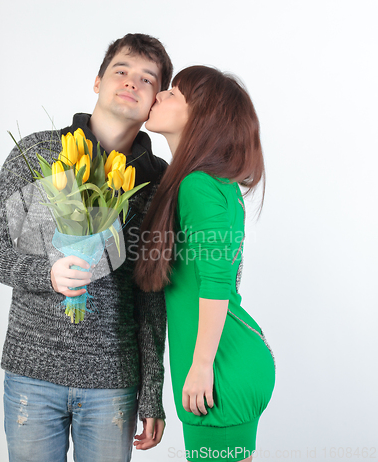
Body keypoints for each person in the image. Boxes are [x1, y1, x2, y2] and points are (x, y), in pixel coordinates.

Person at [0, 33, 172, 462]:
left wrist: (153, 392)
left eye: (147, 79)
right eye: (121, 70)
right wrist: (47, 275)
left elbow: (152, 292)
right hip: (32, 372)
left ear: (156, 100)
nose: (131, 82)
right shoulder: (38, 152)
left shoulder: (159, 181)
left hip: (113, 381)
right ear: (97, 81)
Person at [135, 66, 276, 462]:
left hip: (219, 368)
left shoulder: (198, 185)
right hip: (226, 359)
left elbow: (216, 281)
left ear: (200, 117)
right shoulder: (211, 184)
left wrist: (200, 366)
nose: (159, 94)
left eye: (173, 93)